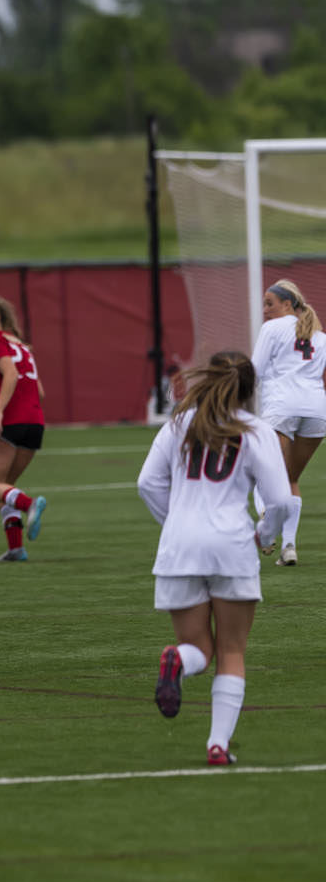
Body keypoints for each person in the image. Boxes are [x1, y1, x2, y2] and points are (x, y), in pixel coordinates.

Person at [137, 350, 290, 766]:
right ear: (248, 388)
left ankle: (175, 660)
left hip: (179, 548)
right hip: (231, 547)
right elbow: (279, 500)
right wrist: (265, 535)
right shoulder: (256, 429)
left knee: (197, 651)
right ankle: (217, 746)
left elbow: (147, 483)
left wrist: (177, 522)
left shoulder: (178, 423)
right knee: (232, 651)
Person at [248, 278, 326, 565]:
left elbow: (253, 371)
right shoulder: (319, 335)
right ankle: (289, 546)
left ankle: (266, 530)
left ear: (288, 304)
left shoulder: (271, 329)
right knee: (290, 478)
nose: (265, 310)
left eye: (270, 303)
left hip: (282, 407)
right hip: (317, 410)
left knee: (261, 474)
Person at [0, 292, 48, 562]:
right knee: (6, 487)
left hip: (12, 420)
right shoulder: (22, 345)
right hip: (35, 422)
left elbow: (10, 374)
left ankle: (30, 504)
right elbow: (39, 390)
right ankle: (16, 548)